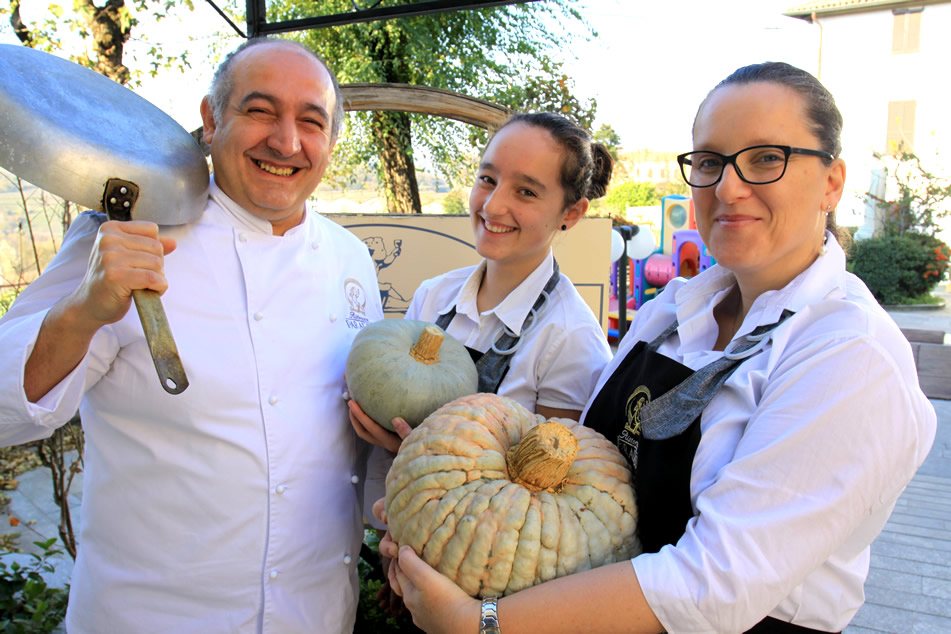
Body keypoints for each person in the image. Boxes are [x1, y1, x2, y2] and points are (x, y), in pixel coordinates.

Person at [378, 62, 938, 634]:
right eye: (710, 161)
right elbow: (578, 477)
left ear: (832, 182)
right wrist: (439, 498)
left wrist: (483, 622)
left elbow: (715, 585)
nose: (728, 187)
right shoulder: (672, 309)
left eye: (767, 158)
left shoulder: (849, 354)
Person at [0, 38, 383, 632]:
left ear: (330, 141)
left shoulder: (350, 258)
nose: (286, 142)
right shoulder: (126, 235)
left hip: (316, 615)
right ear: (211, 119)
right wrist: (83, 311)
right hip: (148, 617)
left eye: (311, 122)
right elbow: (4, 414)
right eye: (260, 111)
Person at [350, 112, 614, 456]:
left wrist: (417, 454)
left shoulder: (570, 340)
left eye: (526, 191)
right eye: (488, 179)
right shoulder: (433, 295)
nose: (493, 205)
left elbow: (549, 491)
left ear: (572, 213)